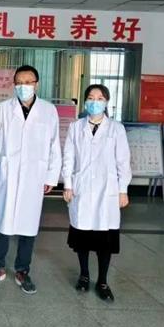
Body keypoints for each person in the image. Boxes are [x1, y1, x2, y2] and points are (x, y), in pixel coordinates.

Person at [0, 65, 61, 294]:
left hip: (34, 176)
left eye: (28, 82)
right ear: (14, 84)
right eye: (19, 82)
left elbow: (54, 145)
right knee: (3, 221)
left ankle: (22, 270)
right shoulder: (1, 109)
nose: (23, 86)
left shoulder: (48, 111)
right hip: (8, 173)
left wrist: (51, 176)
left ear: (37, 84)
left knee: (29, 224)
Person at [62, 84, 131, 301]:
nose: (95, 102)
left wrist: (123, 190)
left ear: (106, 102)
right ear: (85, 101)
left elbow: (123, 161)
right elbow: (68, 157)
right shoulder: (75, 127)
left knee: (104, 239)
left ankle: (102, 281)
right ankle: (84, 275)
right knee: (82, 237)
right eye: (91, 97)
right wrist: (67, 184)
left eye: (100, 98)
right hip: (81, 189)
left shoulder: (116, 129)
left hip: (107, 191)